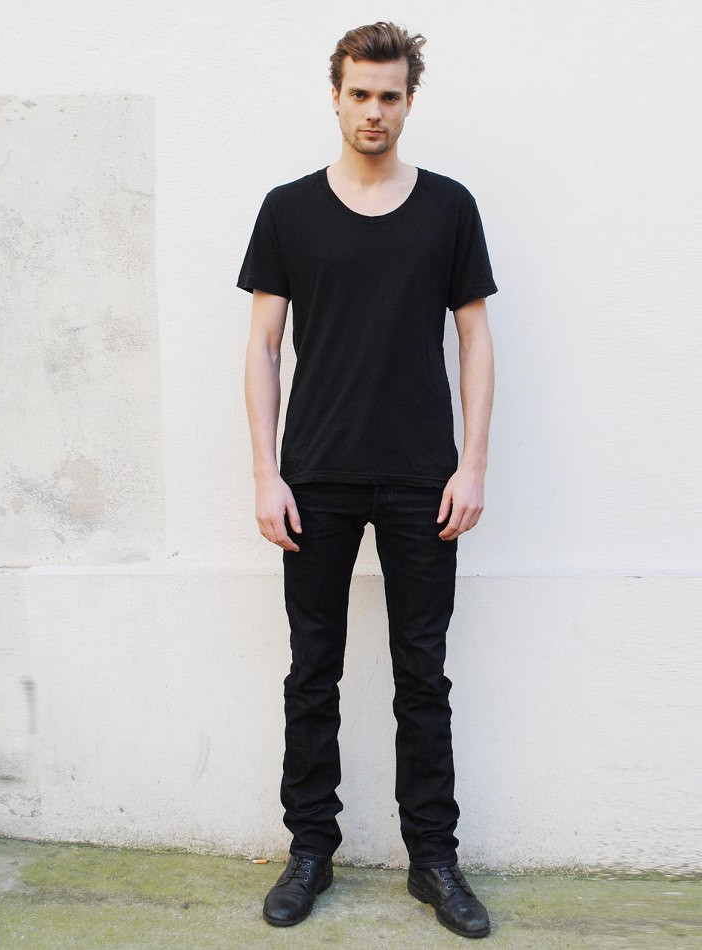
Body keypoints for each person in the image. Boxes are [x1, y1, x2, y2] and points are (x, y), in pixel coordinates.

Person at [237, 20, 498, 940]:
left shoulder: (449, 208)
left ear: (409, 101)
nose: (374, 110)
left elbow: (475, 338)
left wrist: (472, 463)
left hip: (424, 476)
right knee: (313, 671)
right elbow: (263, 348)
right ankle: (311, 850)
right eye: (360, 93)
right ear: (336, 96)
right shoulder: (288, 210)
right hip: (316, 474)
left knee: (423, 676)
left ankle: (434, 860)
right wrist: (266, 475)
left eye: (390, 95)